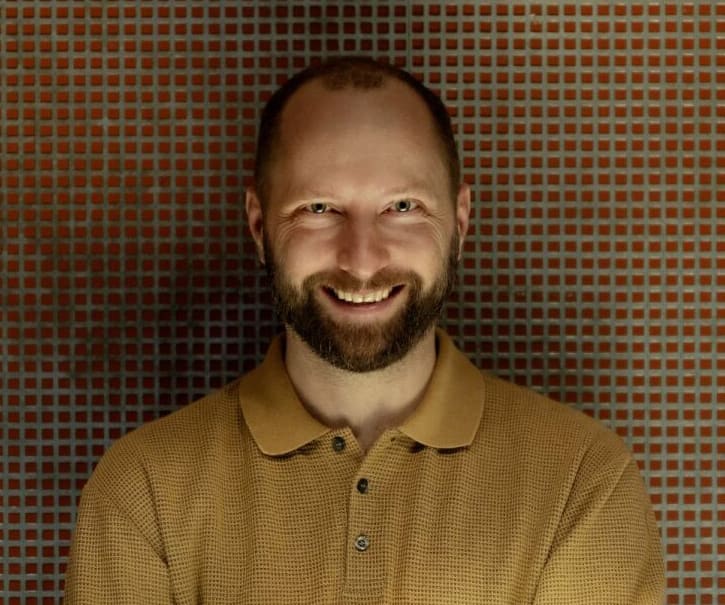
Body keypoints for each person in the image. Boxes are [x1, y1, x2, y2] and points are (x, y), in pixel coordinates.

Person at [65, 57, 665, 604]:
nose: (361, 259)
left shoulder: (583, 480)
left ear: (459, 222)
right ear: (259, 226)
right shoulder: (142, 489)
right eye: (319, 208)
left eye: (402, 207)